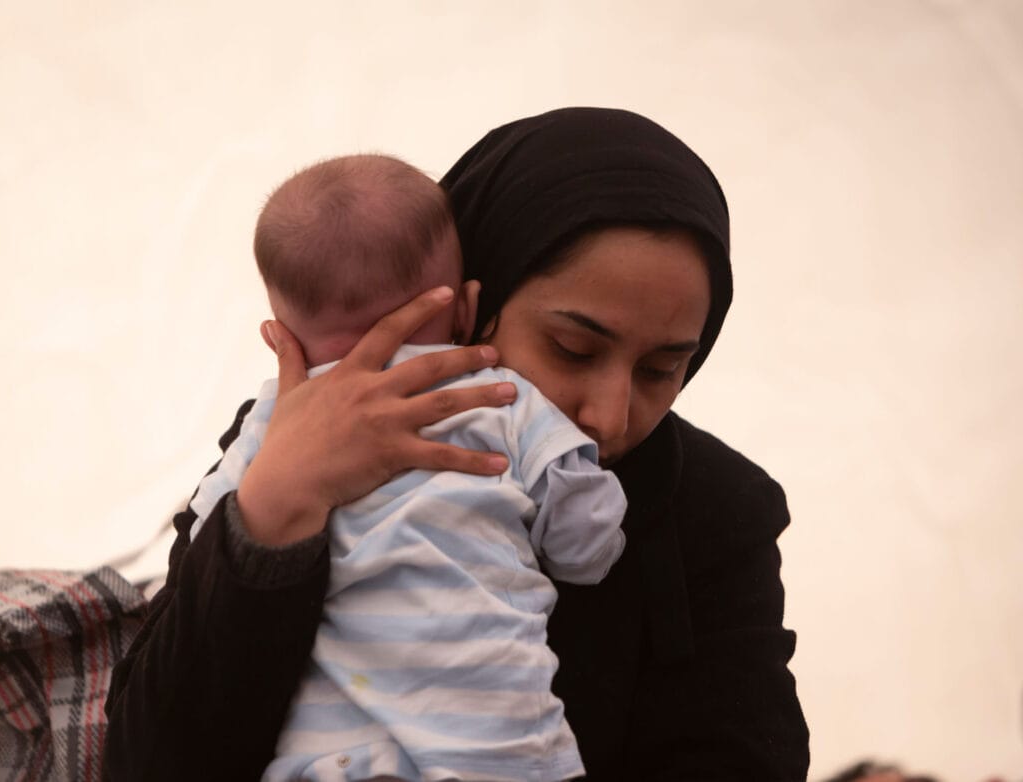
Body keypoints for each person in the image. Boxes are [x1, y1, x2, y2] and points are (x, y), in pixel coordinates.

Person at [103, 107, 810, 781]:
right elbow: (147, 764)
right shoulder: (293, 437)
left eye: (661, 369)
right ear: (468, 303)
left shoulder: (719, 509)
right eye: (572, 348)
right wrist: (274, 514)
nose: (609, 417)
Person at [186, 153, 626, 781]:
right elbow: (583, 544)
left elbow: (208, 546)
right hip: (496, 753)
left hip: (328, 760)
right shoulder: (500, 396)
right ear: (467, 306)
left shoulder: (275, 422)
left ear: (282, 334)